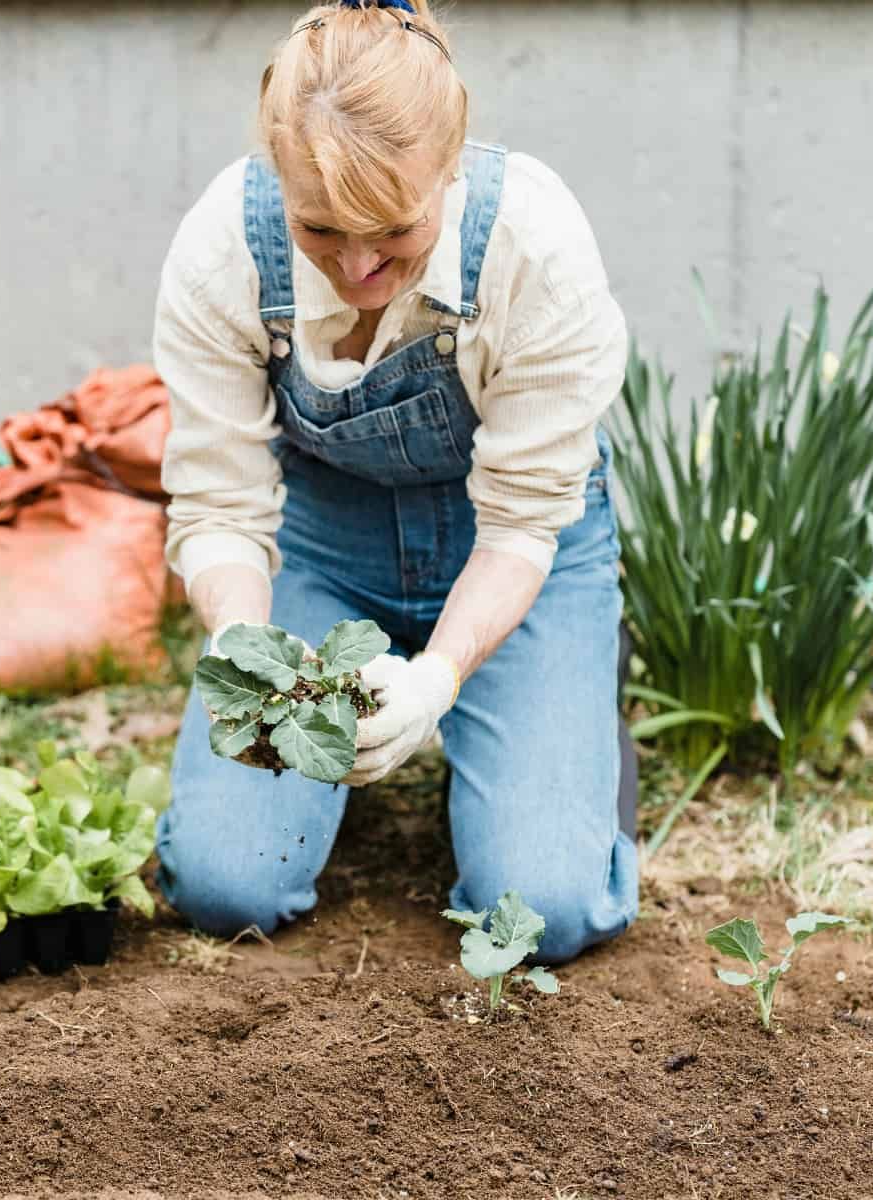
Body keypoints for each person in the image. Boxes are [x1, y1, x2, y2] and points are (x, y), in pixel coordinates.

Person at [153, 0, 637, 964]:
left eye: (394, 230)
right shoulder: (224, 248)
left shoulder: (532, 248)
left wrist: (436, 681)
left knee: (540, 909)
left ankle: (563, 722)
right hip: (320, 542)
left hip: (509, 547)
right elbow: (220, 505)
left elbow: (522, 527)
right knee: (223, 886)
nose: (360, 263)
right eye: (323, 228)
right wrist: (250, 647)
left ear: (449, 169)